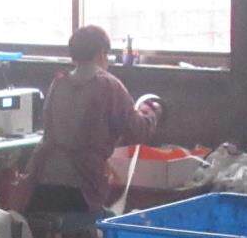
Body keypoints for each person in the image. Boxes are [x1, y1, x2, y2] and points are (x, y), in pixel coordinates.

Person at [26, 25, 162, 215]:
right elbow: (137, 130)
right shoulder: (108, 85)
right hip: (82, 186)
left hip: (44, 180)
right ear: (101, 53)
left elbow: (49, 127)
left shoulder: (59, 83)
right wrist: (151, 113)